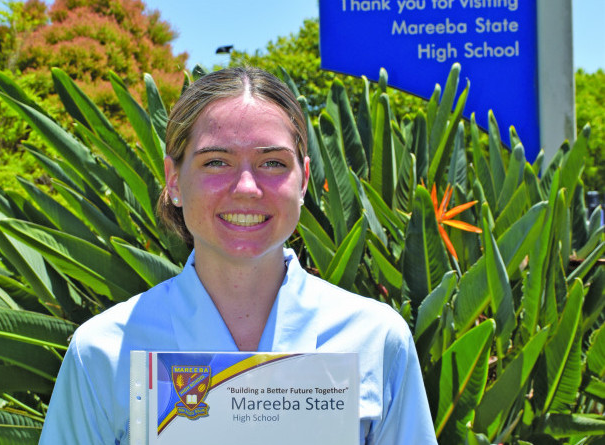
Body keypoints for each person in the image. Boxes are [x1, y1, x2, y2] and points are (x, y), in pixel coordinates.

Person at [39, 67, 437, 444]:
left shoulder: (376, 338)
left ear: (303, 181)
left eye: (272, 163)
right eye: (216, 161)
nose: (247, 187)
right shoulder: (103, 351)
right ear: (174, 180)